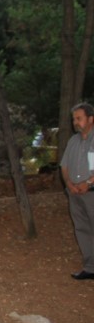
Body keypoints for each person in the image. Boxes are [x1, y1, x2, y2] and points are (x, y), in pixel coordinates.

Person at [60, 102, 94, 281]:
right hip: (74, 193)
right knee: (82, 229)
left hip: (91, 192)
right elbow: (64, 165)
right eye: (74, 119)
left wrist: (88, 183)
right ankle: (90, 267)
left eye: (79, 118)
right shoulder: (73, 141)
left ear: (91, 119)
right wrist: (68, 183)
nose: (75, 122)